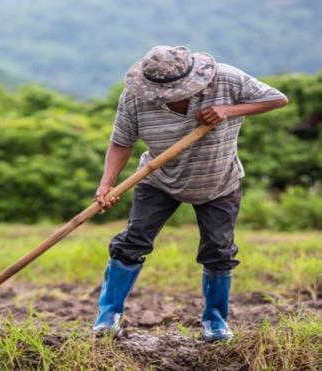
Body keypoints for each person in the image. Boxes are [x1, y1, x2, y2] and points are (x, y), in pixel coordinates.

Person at [93, 45, 288, 341]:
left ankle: (215, 321)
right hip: (159, 179)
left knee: (218, 251)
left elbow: (277, 99)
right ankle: (108, 317)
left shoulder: (226, 79)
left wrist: (229, 110)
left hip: (219, 182)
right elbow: (121, 142)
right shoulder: (135, 97)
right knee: (132, 242)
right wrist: (106, 184)